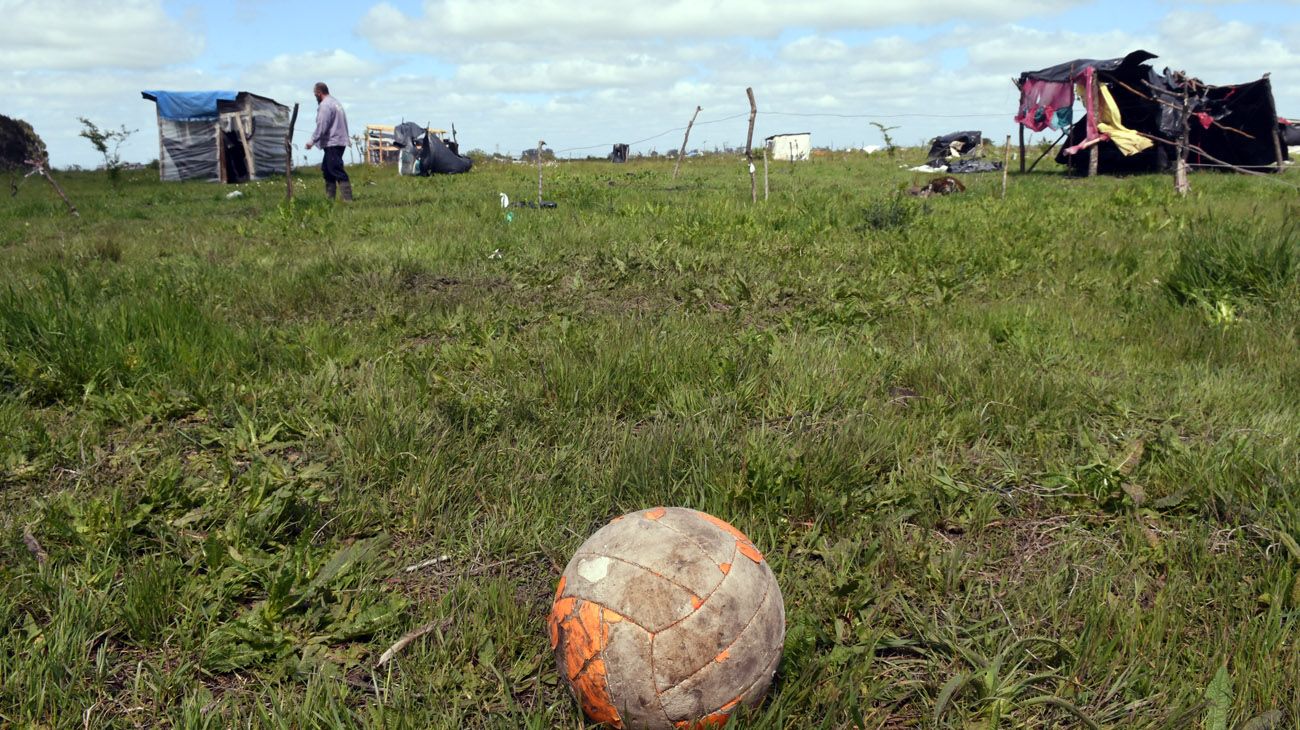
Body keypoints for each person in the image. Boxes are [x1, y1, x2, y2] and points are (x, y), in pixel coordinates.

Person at [304, 82, 352, 201]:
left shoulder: (325, 105)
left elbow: (322, 124)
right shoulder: (335, 103)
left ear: (319, 93)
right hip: (339, 140)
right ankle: (329, 200)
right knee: (327, 169)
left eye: (315, 94)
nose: (315, 97)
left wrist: (312, 141)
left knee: (336, 169)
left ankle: (348, 200)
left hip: (333, 142)